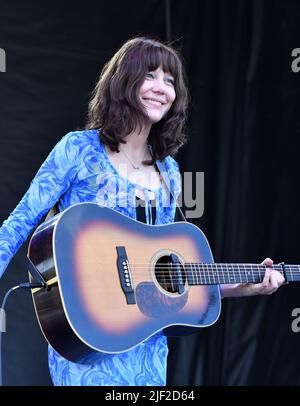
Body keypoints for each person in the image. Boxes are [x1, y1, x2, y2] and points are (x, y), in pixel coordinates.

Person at [0, 37, 285, 386]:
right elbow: (19, 223)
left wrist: (243, 286)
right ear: (124, 80)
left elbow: (167, 276)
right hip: (89, 332)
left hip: (148, 347)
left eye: (170, 81)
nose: (162, 88)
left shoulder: (170, 173)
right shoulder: (77, 150)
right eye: (150, 75)